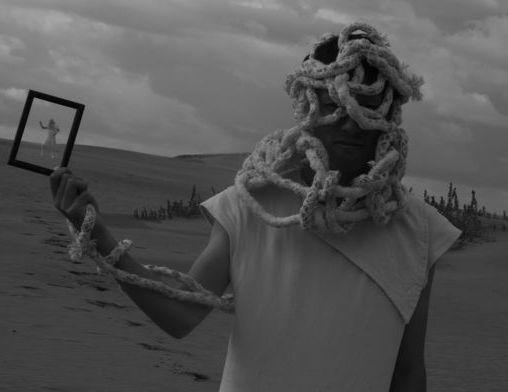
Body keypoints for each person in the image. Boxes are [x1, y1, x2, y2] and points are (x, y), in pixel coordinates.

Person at [49, 23, 461, 392]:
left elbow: (408, 373)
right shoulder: (251, 206)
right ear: (308, 105)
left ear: (390, 114)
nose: (352, 122)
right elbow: (180, 313)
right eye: (335, 104)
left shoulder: (416, 229)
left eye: (368, 108)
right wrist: (97, 233)